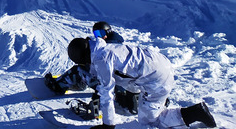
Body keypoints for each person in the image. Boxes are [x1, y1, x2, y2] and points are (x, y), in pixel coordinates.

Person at [67, 36, 216, 129]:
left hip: (157, 78)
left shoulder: (101, 60)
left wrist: (108, 125)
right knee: (133, 90)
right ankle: (157, 102)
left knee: (148, 121)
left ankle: (195, 113)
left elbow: (107, 94)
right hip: (158, 63)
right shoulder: (104, 47)